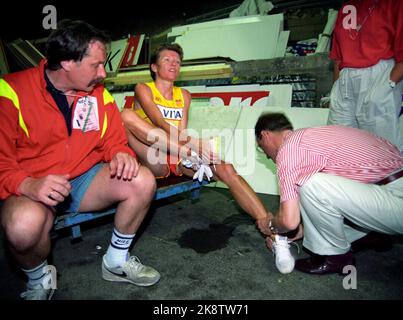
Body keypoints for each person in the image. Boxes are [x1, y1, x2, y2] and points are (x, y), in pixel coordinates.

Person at [0, 20, 160, 300]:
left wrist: (119, 153)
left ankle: (116, 261)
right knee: (22, 226)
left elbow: (112, 139)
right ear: (66, 63)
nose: (104, 72)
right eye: (96, 65)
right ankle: (40, 279)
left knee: (142, 180)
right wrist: (28, 185)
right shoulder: (10, 91)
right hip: (32, 186)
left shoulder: (98, 93)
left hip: (84, 179)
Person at [121, 43, 271, 234]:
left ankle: (270, 229)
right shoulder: (143, 88)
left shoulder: (184, 95)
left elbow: (181, 131)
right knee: (125, 115)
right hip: (151, 155)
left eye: (177, 61)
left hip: (177, 155)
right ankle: (189, 154)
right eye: (167, 60)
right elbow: (158, 121)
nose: (174, 64)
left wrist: (191, 147)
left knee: (226, 168)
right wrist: (193, 144)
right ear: (154, 67)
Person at [255, 112, 403, 275]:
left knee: (311, 185)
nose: (268, 157)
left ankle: (335, 258)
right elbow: (332, 203)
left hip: (396, 197)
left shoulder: (290, 149)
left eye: (262, 149)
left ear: (265, 135)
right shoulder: (316, 136)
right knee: (320, 186)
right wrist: (297, 232)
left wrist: (271, 225)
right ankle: (369, 235)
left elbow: (289, 221)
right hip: (389, 187)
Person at [328, 0, 403, 152]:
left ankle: (390, 174)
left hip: (379, 74)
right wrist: (335, 89)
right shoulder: (347, 7)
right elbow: (337, 56)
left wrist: (389, 84)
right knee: (339, 143)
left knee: (382, 148)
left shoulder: (394, 3)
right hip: (346, 76)